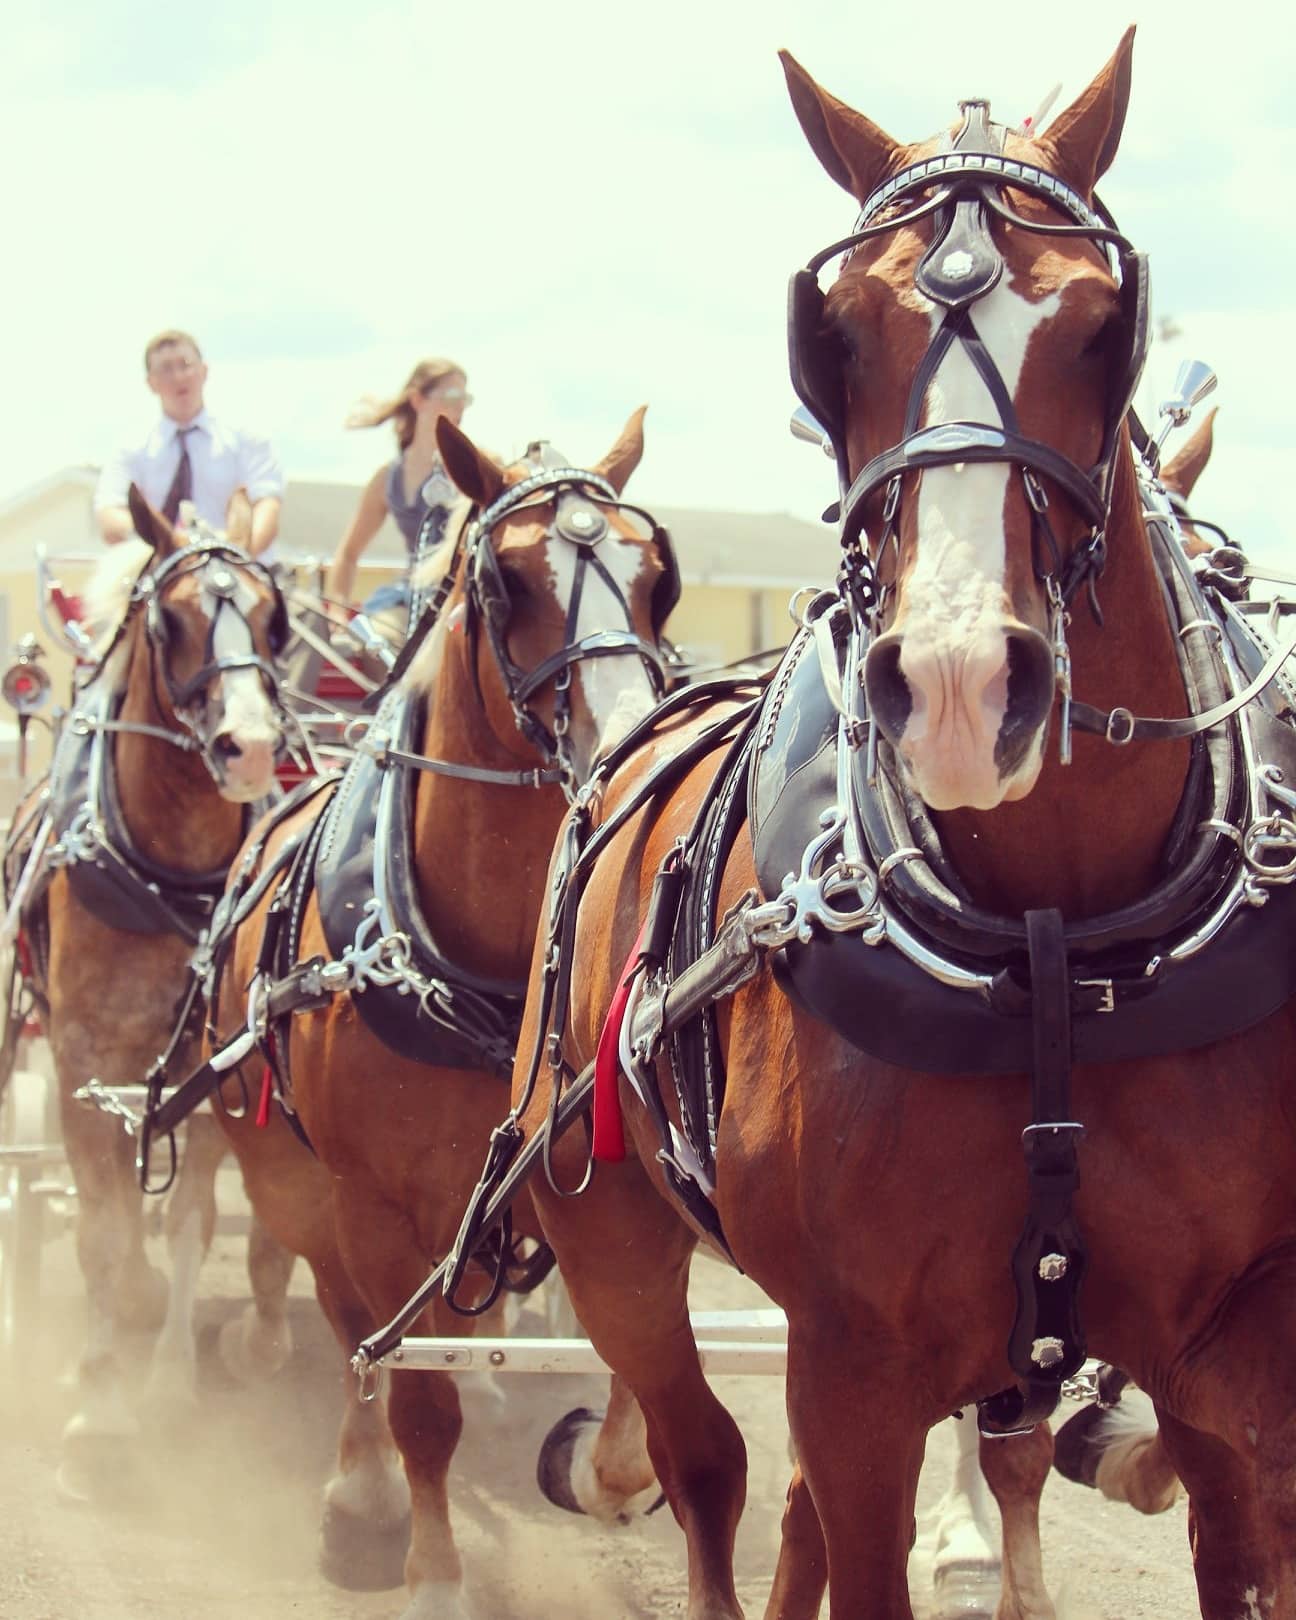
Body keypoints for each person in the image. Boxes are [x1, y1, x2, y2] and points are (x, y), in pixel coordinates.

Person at [94, 330, 284, 556]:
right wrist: (166, 539)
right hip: (163, 568)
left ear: (204, 371)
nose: (178, 377)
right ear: (151, 383)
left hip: (238, 565)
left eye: (185, 365)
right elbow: (110, 515)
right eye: (166, 369)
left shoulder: (247, 440)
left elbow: (267, 507)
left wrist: (234, 555)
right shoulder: (130, 449)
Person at [325, 358, 471, 621]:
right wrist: (336, 612)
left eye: (465, 398)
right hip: (410, 599)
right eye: (452, 396)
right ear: (418, 400)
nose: (460, 405)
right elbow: (348, 554)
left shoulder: (477, 467)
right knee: (375, 636)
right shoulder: (387, 478)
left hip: (461, 600)